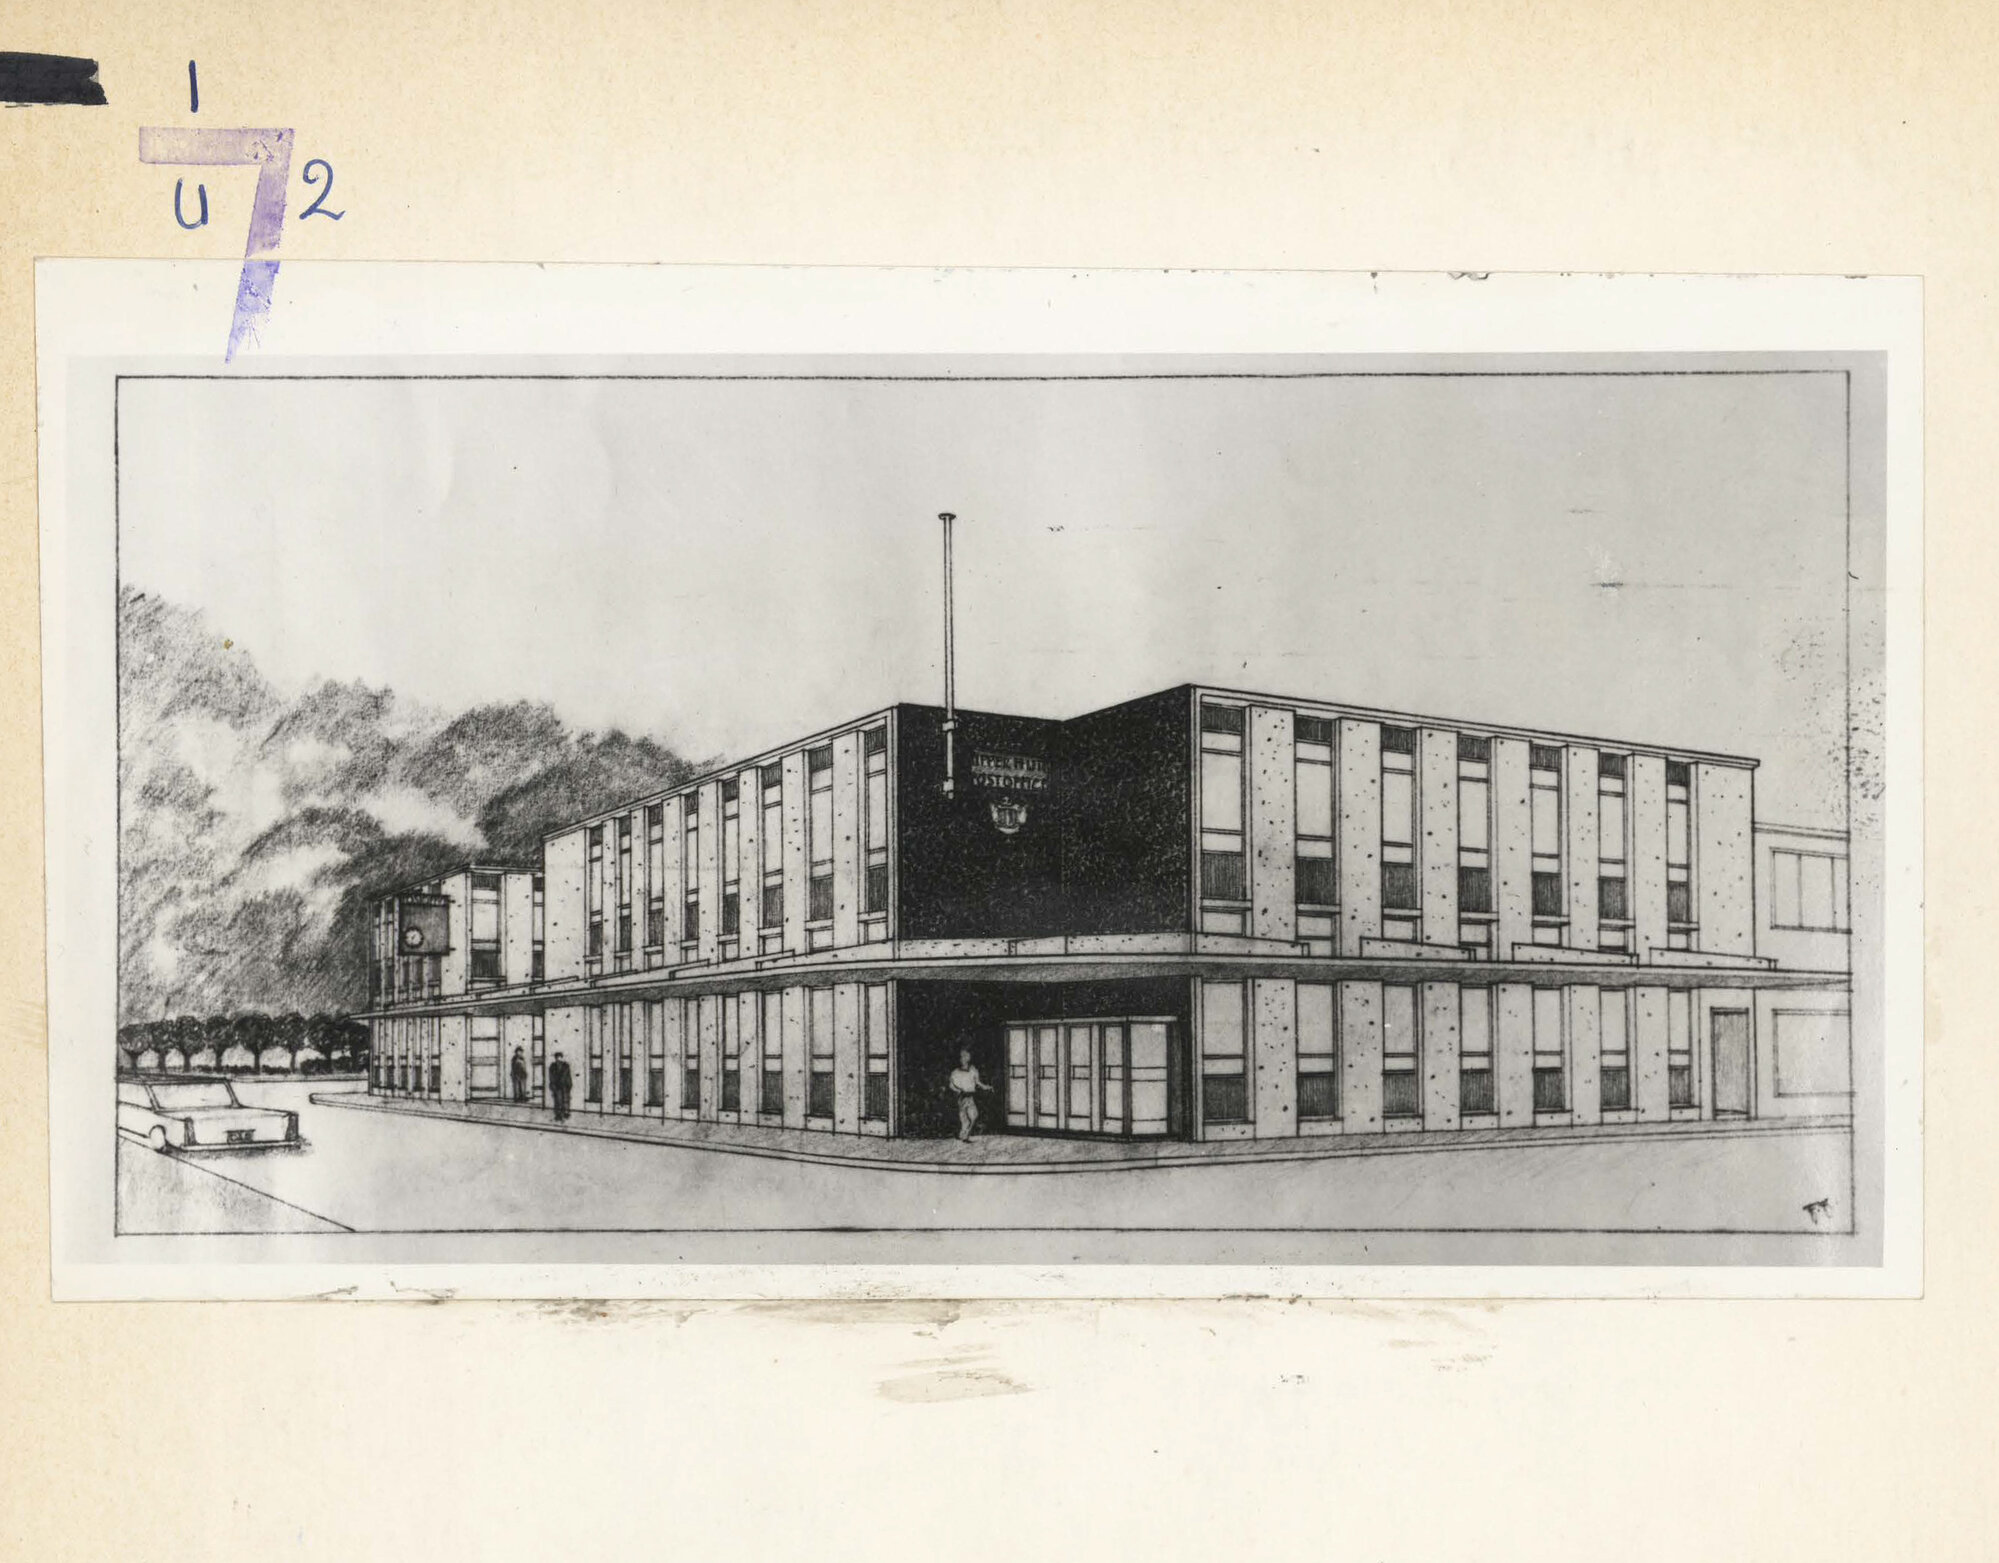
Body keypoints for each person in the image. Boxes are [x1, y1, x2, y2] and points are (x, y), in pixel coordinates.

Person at [948, 1048, 992, 1142]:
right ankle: (964, 1135)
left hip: (970, 1096)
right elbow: (951, 1085)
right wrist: (958, 1090)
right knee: (964, 1118)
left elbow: (978, 1082)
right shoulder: (955, 1072)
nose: (964, 1058)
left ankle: (964, 1134)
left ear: (969, 1057)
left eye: (966, 1056)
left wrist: (986, 1087)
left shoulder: (973, 1070)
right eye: (962, 1056)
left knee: (974, 1115)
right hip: (962, 1097)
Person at [548, 1050, 573, 1122]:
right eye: (557, 1057)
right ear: (555, 1058)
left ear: (562, 1057)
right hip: (557, 1086)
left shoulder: (566, 1066)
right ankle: (558, 1115)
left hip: (565, 1086)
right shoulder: (552, 1066)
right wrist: (552, 1085)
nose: (558, 1059)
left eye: (560, 1057)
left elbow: (568, 1076)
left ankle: (566, 1113)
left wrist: (569, 1085)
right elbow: (551, 1077)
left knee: (566, 1099)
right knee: (558, 1101)